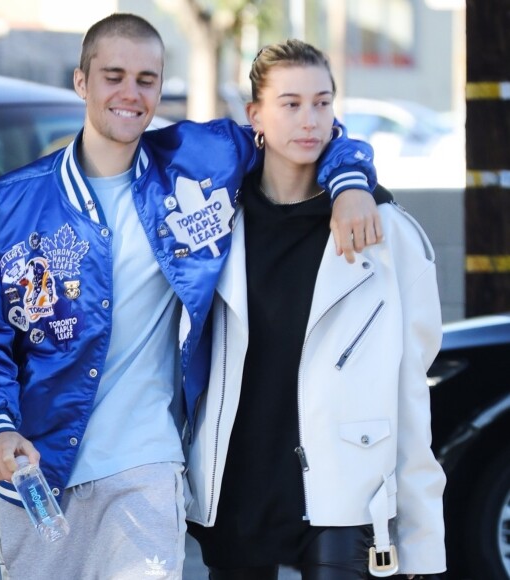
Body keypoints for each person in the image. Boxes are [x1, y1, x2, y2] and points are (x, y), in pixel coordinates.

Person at [0, 15, 381, 580]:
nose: (130, 93)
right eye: (113, 75)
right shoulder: (7, 206)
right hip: (41, 474)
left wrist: (350, 185)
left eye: (147, 78)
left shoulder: (197, 161)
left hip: (147, 467)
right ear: (81, 82)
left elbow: (306, 129)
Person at [185, 39, 447, 580]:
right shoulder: (213, 226)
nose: (310, 120)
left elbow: (410, 387)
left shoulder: (384, 231)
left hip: (345, 491)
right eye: (291, 103)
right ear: (254, 114)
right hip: (238, 481)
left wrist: (423, 542)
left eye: (323, 102)